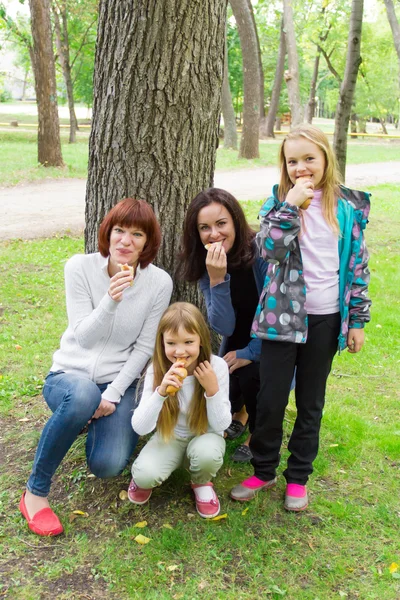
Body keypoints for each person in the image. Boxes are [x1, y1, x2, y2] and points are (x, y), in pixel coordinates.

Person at [230, 124, 371, 511]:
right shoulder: (276, 203)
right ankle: (263, 469)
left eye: (310, 159)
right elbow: (269, 250)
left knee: (311, 402)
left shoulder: (347, 208)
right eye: (293, 161)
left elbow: (357, 269)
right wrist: (291, 204)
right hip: (281, 320)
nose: (301, 168)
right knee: (271, 399)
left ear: (327, 159)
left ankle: (298, 478)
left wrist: (356, 320)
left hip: (325, 320)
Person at [20, 198, 173, 536]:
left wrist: (114, 394)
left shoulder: (159, 283)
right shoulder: (79, 267)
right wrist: (111, 299)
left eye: (137, 234)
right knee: (81, 397)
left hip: (115, 385)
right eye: (119, 231)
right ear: (108, 232)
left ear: (148, 242)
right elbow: (84, 338)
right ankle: (35, 493)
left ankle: (84, 420)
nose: (125, 241)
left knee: (107, 464)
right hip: (69, 379)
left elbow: (145, 347)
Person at [178, 188, 268, 463]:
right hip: (237, 340)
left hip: (273, 340)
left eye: (221, 224)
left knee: (254, 376)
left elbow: (278, 314)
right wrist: (217, 279)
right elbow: (224, 327)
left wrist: (249, 353)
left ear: (235, 222)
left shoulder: (261, 251)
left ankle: (259, 434)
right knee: (220, 389)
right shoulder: (208, 264)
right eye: (204, 228)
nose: (214, 234)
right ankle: (241, 413)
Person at [128, 302, 231, 518]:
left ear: (201, 340)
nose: (180, 351)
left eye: (188, 342)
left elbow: (221, 425)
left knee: (207, 455)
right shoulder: (158, 369)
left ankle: (201, 482)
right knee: (145, 475)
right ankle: (154, 470)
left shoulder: (217, 367)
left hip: (205, 436)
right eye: (171, 343)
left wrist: (212, 390)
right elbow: (140, 426)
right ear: (162, 343)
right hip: (170, 437)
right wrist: (161, 392)